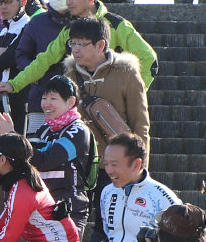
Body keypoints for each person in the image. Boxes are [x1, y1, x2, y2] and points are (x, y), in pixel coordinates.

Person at [0, 0, 157, 103]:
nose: (68, 2)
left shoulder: (117, 24)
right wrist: (14, 84)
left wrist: (131, 95)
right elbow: (44, 60)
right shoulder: (69, 29)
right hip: (80, 104)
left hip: (113, 107)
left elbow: (149, 59)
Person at [0, 74, 94, 234]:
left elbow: (46, 160)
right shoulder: (43, 129)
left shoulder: (78, 131)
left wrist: (13, 135)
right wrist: (9, 139)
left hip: (69, 207)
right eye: (44, 98)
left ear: (70, 102)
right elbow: (27, 160)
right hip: (43, 206)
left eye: (53, 98)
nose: (46, 104)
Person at [60, 16, 151, 153]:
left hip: (117, 162)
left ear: (100, 45)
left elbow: (140, 124)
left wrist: (139, 165)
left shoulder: (126, 73)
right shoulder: (69, 78)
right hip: (79, 164)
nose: (75, 50)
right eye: (73, 43)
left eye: (82, 44)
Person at [13, 0, 73, 137]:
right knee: (37, 150)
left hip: (73, 99)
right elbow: (21, 54)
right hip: (41, 97)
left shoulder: (80, 22)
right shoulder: (37, 21)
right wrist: (35, 75)